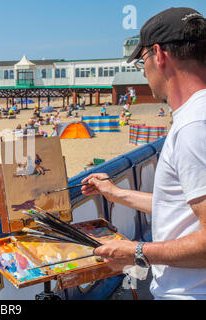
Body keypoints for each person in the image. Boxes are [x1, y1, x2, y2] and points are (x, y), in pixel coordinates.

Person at [81, 7, 206, 300]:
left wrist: (137, 252)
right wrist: (113, 192)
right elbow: (181, 207)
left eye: (142, 61)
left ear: (159, 55)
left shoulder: (194, 126)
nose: (145, 71)